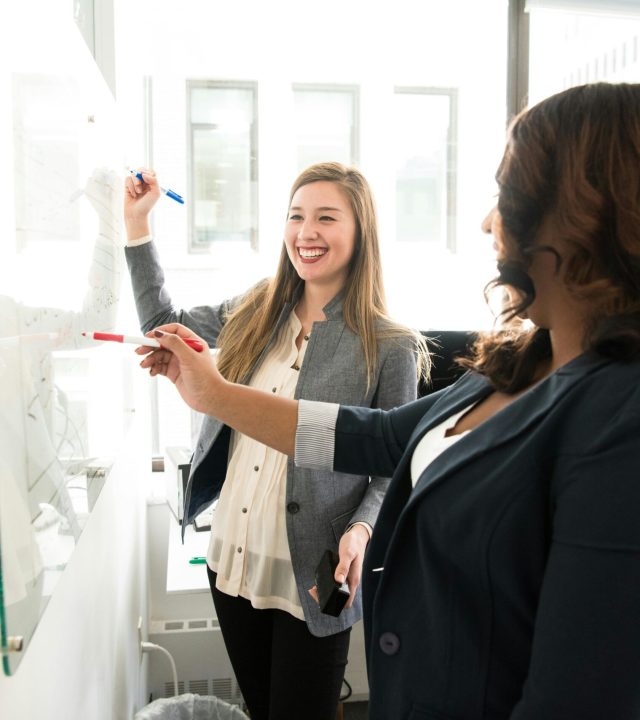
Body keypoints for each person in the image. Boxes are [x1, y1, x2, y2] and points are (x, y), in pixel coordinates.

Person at [135, 82, 640, 719]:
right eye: (296, 215)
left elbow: (580, 692)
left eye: (506, 195)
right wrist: (214, 392)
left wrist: (359, 528)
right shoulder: (515, 365)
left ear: (585, 213)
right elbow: (374, 436)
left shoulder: (619, 424)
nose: (488, 221)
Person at [123, 162, 428, 719]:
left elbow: (396, 464)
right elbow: (163, 322)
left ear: (361, 232)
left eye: (326, 218)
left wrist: (362, 529)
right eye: (296, 216)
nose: (305, 232)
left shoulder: (390, 345)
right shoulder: (256, 309)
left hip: (315, 571)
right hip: (233, 558)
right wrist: (137, 226)